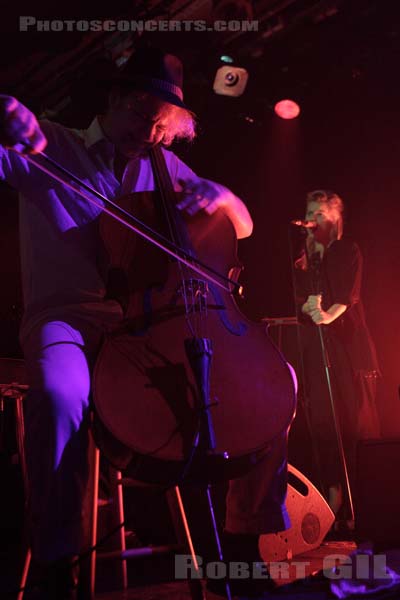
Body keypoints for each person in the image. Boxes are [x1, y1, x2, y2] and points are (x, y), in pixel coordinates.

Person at [0, 48, 295, 599]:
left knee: (269, 383)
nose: (150, 135)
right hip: (68, 320)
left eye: (163, 127)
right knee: (61, 392)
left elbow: (245, 226)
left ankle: (247, 536)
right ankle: (55, 557)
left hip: (148, 324)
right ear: (113, 99)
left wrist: (223, 196)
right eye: (141, 117)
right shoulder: (52, 144)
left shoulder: (163, 164)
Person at [294, 189, 381, 522]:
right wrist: (308, 307)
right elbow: (303, 301)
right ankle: (334, 498)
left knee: (353, 426)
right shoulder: (307, 259)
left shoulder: (346, 250)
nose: (312, 220)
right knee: (324, 426)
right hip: (320, 351)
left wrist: (326, 314)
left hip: (348, 350)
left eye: (320, 214)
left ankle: (362, 504)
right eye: (309, 213)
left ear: (334, 220)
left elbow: (347, 296)